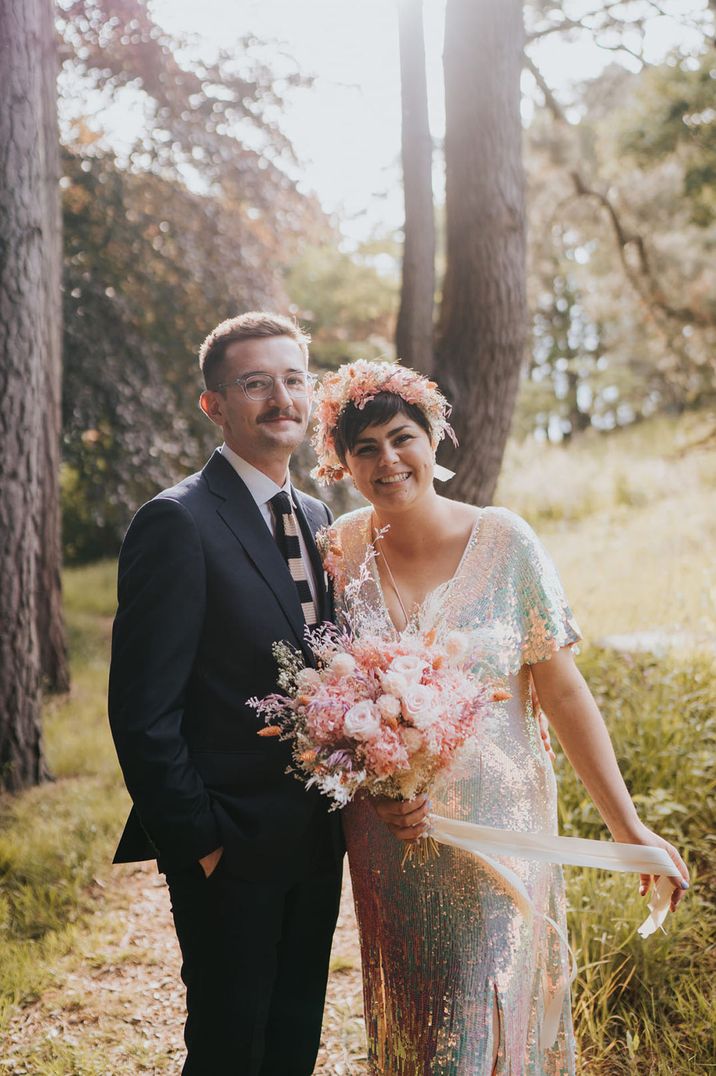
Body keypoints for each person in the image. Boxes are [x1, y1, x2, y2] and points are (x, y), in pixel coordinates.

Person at [310, 360, 689, 1075]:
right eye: (366, 448)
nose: (388, 460)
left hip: (500, 830)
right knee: (421, 1031)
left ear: (434, 438)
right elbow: (330, 706)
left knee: (484, 1024)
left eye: (403, 437)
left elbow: (565, 694)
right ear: (343, 462)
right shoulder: (341, 550)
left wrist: (627, 826)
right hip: (392, 838)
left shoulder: (507, 542)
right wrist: (375, 791)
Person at [108, 312, 343, 1076]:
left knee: (293, 1035)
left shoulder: (316, 517)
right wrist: (201, 845)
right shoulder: (175, 522)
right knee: (229, 1044)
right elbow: (143, 713)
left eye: (293, 379)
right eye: (255, 384)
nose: (281, 398)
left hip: (316, 838)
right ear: (214, 405)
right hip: (229, 845)